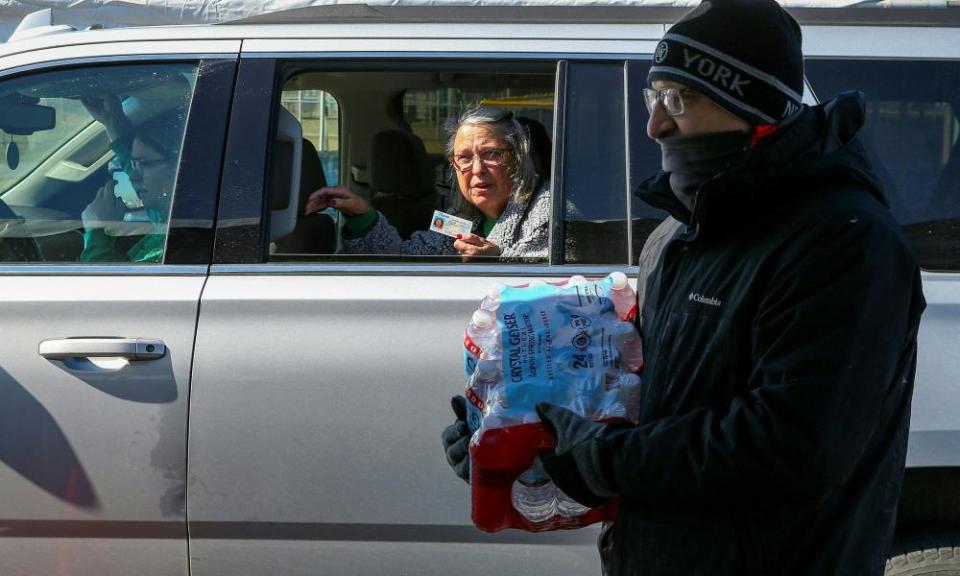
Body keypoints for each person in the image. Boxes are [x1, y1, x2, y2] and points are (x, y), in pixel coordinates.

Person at [443, 1, 926, 574]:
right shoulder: (675, 235)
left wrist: (600, 460)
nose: (655, 126)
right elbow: (638, 398)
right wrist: (518, 436)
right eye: (654, 98)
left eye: (679, 100)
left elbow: (793, 446)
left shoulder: (843, 241)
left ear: (755, 107)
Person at [303, 106, 549, 260]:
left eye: (492, 154)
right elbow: (403, 259)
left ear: (517, 159)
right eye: (464, 157)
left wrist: (498, 259)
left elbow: (555, 284)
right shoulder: (457, 218)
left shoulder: (548, 211)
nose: (476, 169)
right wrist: (361, 215)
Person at [80, 95, 182, 263]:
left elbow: (106, 286)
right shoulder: (167, 213)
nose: (133, 176)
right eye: (135, 165)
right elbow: (136, 159)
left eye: (145, 164)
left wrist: (97, 233)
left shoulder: (178, 243)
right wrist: (112, 119)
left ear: (179, 167)